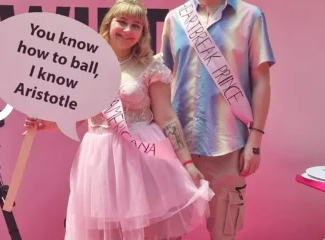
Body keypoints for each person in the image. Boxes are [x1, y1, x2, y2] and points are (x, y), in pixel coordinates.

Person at [24, 0, 214, 239]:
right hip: (99, 158)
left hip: (144, 158)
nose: (127, 30)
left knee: (146, 231)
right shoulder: (85, 64)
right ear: (108, 24)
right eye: (122, 22)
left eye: (136, 25)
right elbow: (79, 117)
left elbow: (167, 118)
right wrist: (45, 125)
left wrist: (187, 163)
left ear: (142, 33)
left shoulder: (150, 66)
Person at [161, 0, 275, 239]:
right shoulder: (175, 18)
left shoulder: (250, 16)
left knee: (224, 231)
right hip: (177, 147)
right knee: (168, 233)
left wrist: (256, 139)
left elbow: (261, 80)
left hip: (227, 143)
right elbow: (162, 76)